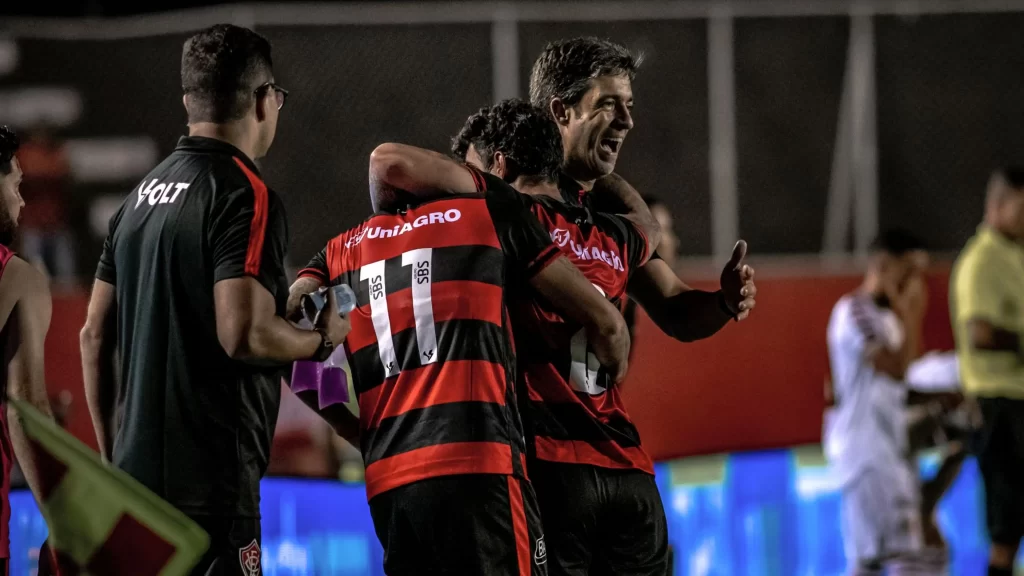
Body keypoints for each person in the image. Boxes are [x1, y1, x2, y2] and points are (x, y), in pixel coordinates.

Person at [78, 25, 350, 576]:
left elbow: (92, 336)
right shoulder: (243, 193)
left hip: (135, 488)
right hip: (212, 493)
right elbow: (244, 334)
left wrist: (114, 461)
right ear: (262, 100)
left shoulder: (138, 199)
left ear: (188, 102)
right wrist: (320, 340)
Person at [290, 142, 630, 576]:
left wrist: (347, 424)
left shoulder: (340, 251)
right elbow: (602, 319)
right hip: (482, 468)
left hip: (391, 482)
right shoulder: (487, 216)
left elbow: (295, 347)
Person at [523, 37, 756, 574]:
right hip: (547, 474)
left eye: (630, 105)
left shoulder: (610, 228)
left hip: (624, 468)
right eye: (609, 103)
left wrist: (722, 302)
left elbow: (676, 307)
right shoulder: (512, 216)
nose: (627, 120)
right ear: (561, 110)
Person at [823, 229, 948, 575]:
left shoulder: (890, 319)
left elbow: (907, 377)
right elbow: (895, 368)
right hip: (868, 456)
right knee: (905, 559)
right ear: (882, 265)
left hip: (888, 451)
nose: (916, 281)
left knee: (874, 563)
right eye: (909, 269)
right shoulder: (855, 311)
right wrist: (910, 313)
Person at [950, 167, 1024, 576]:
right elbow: (979, 332)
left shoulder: (1015, 255)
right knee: (1006, 530)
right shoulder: (982, 259)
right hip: (1001, 404)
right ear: (997, 205)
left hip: (1017, 399)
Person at [0, 125, 57, 576]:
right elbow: (25, 408)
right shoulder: (19, 278)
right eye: (15, 184)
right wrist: (65, 520)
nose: (21, 200)